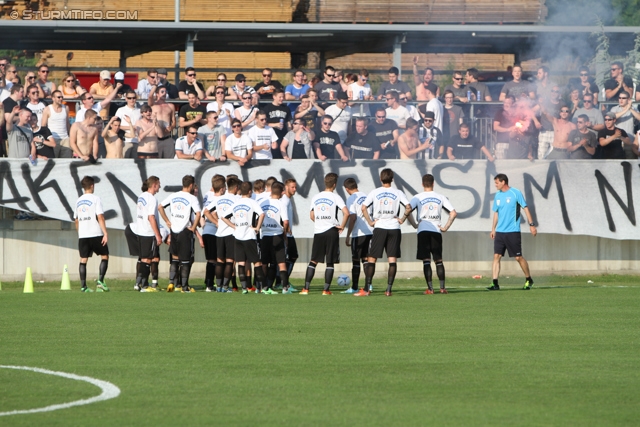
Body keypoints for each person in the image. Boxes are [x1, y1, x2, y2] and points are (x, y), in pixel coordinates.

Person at [358, 168, 410, 297]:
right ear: (392, 179)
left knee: (372, 258)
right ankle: (388, 290)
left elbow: (363, 207)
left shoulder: (375, 192)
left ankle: (367, 290)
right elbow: (408, 207)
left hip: (380, 226)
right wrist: (402, 219)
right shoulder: (398, 192)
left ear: (381, 179)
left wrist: (370, 222)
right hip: (394, 227)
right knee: (392, 260)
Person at [403, 173, 456, 294]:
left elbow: (408, 210)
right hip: (436, 230)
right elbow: (453, 213)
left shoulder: (417, 197)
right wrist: (446, 227)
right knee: (439, 260)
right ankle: (442, 288)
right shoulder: (440, 197)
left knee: (426, 260)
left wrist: (414, 224)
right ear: (433, 183)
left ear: (422, 184)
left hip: (423, 230)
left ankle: (430, 289)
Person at [488, 173, 537, 291]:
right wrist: (493, 229)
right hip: (500, 232)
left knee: (518, 257)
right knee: (496, 256)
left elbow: (525, 208)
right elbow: (496, 213)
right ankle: (495, 283)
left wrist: (532, 225)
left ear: (503, 182)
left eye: (497, 182)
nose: (495, 185)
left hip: (513, 231)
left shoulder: (516, 193)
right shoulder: (497, 196)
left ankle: (528, 279)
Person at [303, 173, 349, 295]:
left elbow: (312, 215)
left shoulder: (316, 197)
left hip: (319, 231)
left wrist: (320, 222)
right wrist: (342, 226)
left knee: (313, 260)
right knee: (330, 262)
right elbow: (346, 213)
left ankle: (306, 289)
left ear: (325, 183)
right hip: (331, 231)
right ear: (334, 185)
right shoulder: (336, 197)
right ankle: (326, 290)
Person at [221, 181, 268, 293]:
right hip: (249, 236)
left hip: (237, 236)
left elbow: (223, 217)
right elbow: (262, 214)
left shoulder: (236, 203)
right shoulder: (252, 202)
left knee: (240, 262)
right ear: (250, 191)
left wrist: (234, 226)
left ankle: (244, 288)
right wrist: (257, 227)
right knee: (256, 262)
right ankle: (263, 287)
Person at [159, 175, 202, 293]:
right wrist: (193, 228)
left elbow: (160, 207)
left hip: (174, 230)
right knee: (185, 261)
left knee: (174, 259)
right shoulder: (192, 198)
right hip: (185, 231)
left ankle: (171, 283)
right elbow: (198, 214)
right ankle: (184, 287)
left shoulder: (174, 196)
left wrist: (168, 221)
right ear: (191, 185)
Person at [74, 176, 109, 292]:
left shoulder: (78, 200)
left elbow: (76, 220)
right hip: (95, 233)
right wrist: (105, 233)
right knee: (104, 256)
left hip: (83, 235)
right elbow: (100, 216)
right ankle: (100, 282)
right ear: (92, 186)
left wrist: (80, 232)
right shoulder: (95, 199)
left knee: (83, 259)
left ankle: (83, 287)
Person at [259, 181, 290, 293]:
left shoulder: (262, 203)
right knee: (281, 262)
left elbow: (258, 218)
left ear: (271, 190)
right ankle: (285, 288)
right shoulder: (281, 204)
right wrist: (284, 232)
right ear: (282, 192)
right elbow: (285, 222)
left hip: (265, 236)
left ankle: (263, 286)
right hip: (277, 235)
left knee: (264, 263)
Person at [343, 177, 373, 294]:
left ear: (346, 189)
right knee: (366, 259)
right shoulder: (366, 196)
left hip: (359, 234)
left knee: (356, 260)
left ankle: (355, 287)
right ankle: (368, 286)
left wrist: (348, 234)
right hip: (370, 231)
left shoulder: (351, 199)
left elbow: (353, 217)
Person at [210, 176, 240, 292]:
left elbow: (206, 211)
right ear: (236, 187)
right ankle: (226, 286)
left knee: (219, 260)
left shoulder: (219, 199)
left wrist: (216, 222)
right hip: (231, 233)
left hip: (219, 233)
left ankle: (218, 286)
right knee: (229, 261)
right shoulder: (237, 199)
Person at [201, 175, 224, 292]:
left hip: (206, 230)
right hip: (214, 232)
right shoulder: (219, 200)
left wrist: (203, 227)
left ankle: (208, 283)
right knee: (215, 259)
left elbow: (202, 215)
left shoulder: (207, 196)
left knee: (211, 259)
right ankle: (211, 284)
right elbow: (212, 213)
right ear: (221, 188)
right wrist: (217, 223)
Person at [148, 85, 176, 158]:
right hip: (156, 138)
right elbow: (150, 96)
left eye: (165, 92)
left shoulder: (171, 106)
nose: (164, 93)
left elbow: (174, 121)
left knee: (169, 163)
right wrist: (155, 85)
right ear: (157, 94)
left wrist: (171, 127)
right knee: (156, 162)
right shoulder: (153, 105)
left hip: (167, 138)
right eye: (162, 92)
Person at [41, 90, 72, 158]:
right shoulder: (47, 109)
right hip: (53, 139)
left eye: (61, 97)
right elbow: (43, 125)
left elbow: (67, 123)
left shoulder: (66, 108)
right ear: (53, 98)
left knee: (66, 161)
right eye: (58, 97)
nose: (61, 99)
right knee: (54, 160)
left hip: (65, 139)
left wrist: (70, 136)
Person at [281, 178, 299, 291]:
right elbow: (283, 219)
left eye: (295, 187)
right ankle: (283, 282)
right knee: (290, 257)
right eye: (292, 187)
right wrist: (285, 231)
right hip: (286, 234)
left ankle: (284, 281)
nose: (294, 189)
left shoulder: (288, 199)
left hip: (288, 233)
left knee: (291, 257)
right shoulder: (285, 200)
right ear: (286, 187)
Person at [262, 89, 291, 158]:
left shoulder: (286, 108)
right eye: (280, 97)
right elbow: (263, 123)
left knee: (283, 154)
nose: (282, 99)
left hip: (283, 135)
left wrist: (290, 134)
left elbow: (288, 122)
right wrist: (275, 125)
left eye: (283, 97)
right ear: (274, 97)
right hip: (271, 136)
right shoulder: (267, 108)